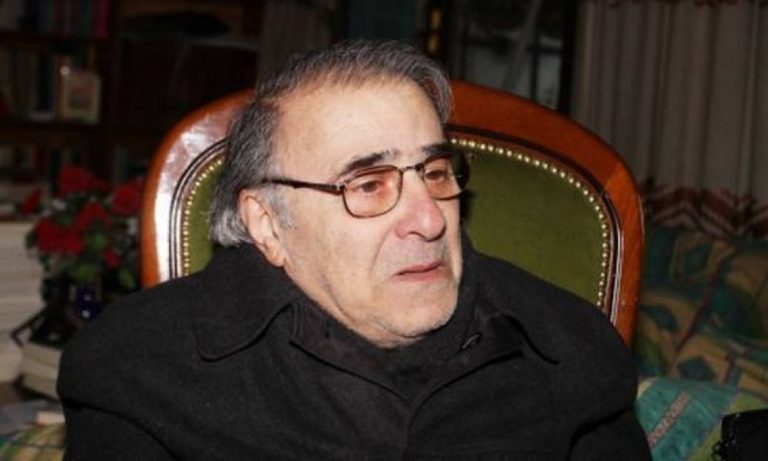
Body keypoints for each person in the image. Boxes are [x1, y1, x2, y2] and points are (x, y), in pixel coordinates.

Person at [58, 40, 650, 459]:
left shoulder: (569, 346)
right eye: (368, 185)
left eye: (435, 172)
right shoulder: (140, 367)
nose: (429, 219)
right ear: (267, 224)